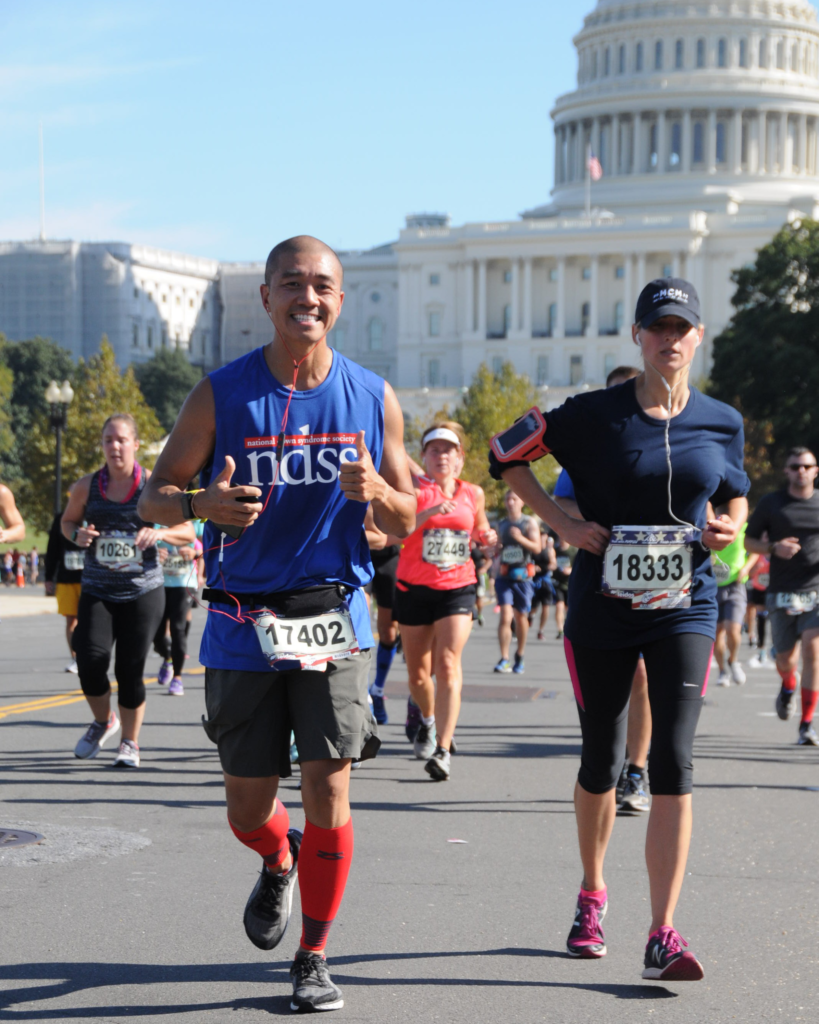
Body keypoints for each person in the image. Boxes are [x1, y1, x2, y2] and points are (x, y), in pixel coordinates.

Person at [138, 235, 416, 1013]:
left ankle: (314, 956)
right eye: (291, 283)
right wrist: (200, 507)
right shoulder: (219, 395)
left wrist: (378, 496)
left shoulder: (371, 396)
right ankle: (277, 856)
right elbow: (152, 497)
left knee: (331, 791)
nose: (308, 297)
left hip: (333, 621)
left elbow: (408, 513)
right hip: (240, 625)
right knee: (246, 808)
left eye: (322, 284)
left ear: (340, 298)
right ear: (265, 297)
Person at [490, 277, 749, 981]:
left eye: (681, 328)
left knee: (672, 757)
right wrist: (562, 522)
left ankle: (663, 930)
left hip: (685, 606)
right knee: (600, 761)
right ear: (637, 335)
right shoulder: (588, 415)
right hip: (601, 610)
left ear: (698, 337)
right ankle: (591, 891)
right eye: (657, 327)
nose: (669, 340)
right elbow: (503, 454)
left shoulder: (721, 420)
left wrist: (730, 530)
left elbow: (734, 495)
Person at [62, 413, 195, 768]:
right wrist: (77, 535)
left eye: (121, 440)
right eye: (108, 440)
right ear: (102, 445)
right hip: (98, 589)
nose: (114, 446)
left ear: (135, 444)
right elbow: (67, 522)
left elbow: (188, 532)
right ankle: (104, 720)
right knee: (89, 660)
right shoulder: (86, 486)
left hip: (143, 591)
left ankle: (130, 743)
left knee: (129, 669)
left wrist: (160, 533)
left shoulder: (153, 485)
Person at [553, 364, 652, 816]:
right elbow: (562, 497)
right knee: (609, 687)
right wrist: (575, 526)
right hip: (599, 575)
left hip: (658, 577)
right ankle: (604, 768)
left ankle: (637, 769)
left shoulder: (667, 434)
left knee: (643, 678)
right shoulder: (588, 443)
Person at [395, 421, 496, 780]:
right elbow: (397, 531)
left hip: (458, 586)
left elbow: (479, 527)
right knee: (419, 676)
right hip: (414, 588)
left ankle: (442, 749)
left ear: (459, 459)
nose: (441, 456)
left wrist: (488, 537)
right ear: (424, 456)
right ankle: (427, 718)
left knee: (449, 663)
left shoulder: (473, 493)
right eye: (434, 450)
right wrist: (428, 513)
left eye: (448, 450)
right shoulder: (412, 490)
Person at [745, 447, 819, 745]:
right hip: (781, 591)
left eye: (806, 466)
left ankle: (806, 724)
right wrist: (774, 548)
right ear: (786, 471)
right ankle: (788, 685)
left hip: (816, 589)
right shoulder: (772, 503)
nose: (800, 470)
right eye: (794, 466)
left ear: (816, 470)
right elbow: (750, 542)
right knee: (786, 659)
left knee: (813, 652)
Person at [493, 489, 541, 674]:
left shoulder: (528, 522)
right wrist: (493, 548)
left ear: (522, 502)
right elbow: (496, 548)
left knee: (521, 617)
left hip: (523, 577)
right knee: (505, 615)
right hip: (504, 576)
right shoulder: (502, 524)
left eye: (514, 499)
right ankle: (504, 658)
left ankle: (519, 655)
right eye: (507, 499)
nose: (510, 502)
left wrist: (520, 538)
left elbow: (537, 547)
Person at [153, 524, 200, 696]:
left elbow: (207, 549)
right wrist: (154, 554)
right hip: (158, 584)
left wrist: (195, 554)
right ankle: (168, 658)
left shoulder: (192, 522)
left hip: (184, 584)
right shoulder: (156, 523)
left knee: (177, 629)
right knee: (156, 635)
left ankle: (177, 678)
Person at [45, 500, 86, 673]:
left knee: (90, 620)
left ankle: (90, 656)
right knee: (71, 620)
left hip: (91, 578)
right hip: (65, 577)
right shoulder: (61, 519)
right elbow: (52, 548)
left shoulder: (96, 516)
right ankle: (75, 658)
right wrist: (48, 577)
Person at [713, 525, 756, 687]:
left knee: (733, 629)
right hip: (713, 584)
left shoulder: (743, 526)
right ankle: (723, 671)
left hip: (736, 585)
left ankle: (733, 660)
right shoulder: (710, 525)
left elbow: (756, 549)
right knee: (717, 633)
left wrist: (746, 568)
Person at [528, 528, 556, 640]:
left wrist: (545, 568)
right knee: (533, 607)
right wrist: (533, 568)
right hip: (534, 581)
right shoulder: (533, 549)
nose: (542, 537)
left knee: (546, 606)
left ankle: (541, 630)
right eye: (540, 535)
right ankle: (531, 616)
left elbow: (553, 564)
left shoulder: (549, 550)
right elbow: (527, 562)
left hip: (545, 581)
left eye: (544, 535)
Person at [747, 552, 771, 667]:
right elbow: (749, 573)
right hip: (759, 589)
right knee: (761, 618)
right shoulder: (757, 555)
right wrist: (756, 568)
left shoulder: (778, 555)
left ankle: (777, 647)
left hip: (773, 590)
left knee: (776, 619)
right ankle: (762, 648)